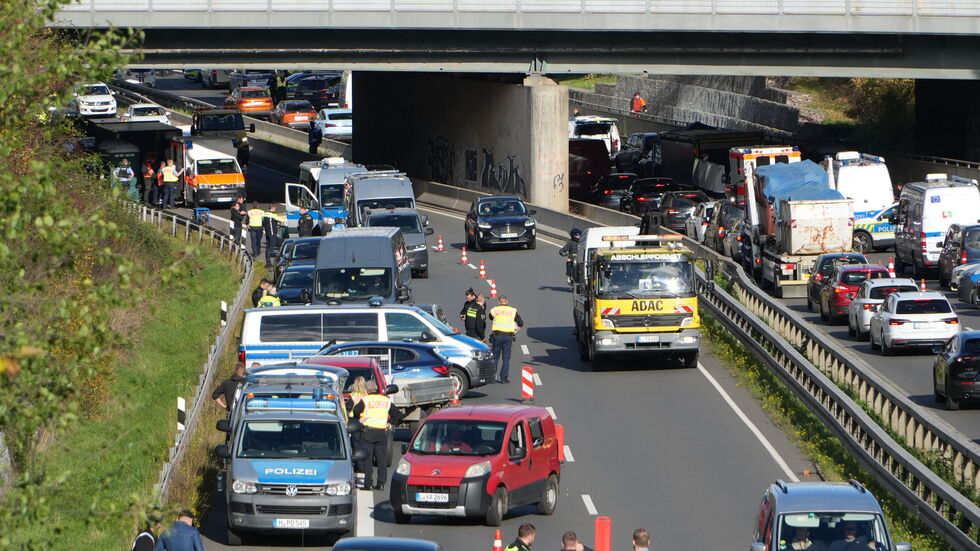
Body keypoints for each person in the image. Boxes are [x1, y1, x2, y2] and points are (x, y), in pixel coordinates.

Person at [352, 380, 402, 491]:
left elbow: (356, 411)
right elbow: (398, 414)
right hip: (381, 432)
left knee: (367, 459)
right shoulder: (386, 401)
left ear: (367, 390)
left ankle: (368, 484)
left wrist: (360, 419)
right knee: (381, 459)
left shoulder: (365, 400)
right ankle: (381, 483)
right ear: (376, 389)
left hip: (368, 432)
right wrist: (391, 423)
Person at [489, 295, 524, 384]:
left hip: (497, 336)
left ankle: (492, 377)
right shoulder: (513, 311)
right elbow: (520, 323)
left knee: (495, 357)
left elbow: (490, 317)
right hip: (508, 336)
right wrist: (516, 331)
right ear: (507, 301)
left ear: (499, 302)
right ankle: (504, 378)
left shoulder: (495, 310)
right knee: (506, 358)